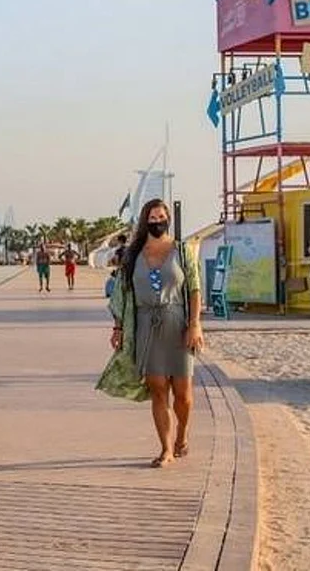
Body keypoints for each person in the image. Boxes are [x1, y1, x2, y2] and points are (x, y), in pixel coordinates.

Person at [108, 199, 203, 468]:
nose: (157, 222)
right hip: (146, 325)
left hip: (178, 324)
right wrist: (118, 328)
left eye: (161, 217)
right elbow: (122, 294)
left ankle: (182, 434)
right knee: (158, 390)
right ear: (144, 221)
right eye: (152, 218)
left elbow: (195, 289)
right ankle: (166, 449)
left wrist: (195, 324)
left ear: (168, 219)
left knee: (183, 394)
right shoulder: (133, 255)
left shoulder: (182, 250)